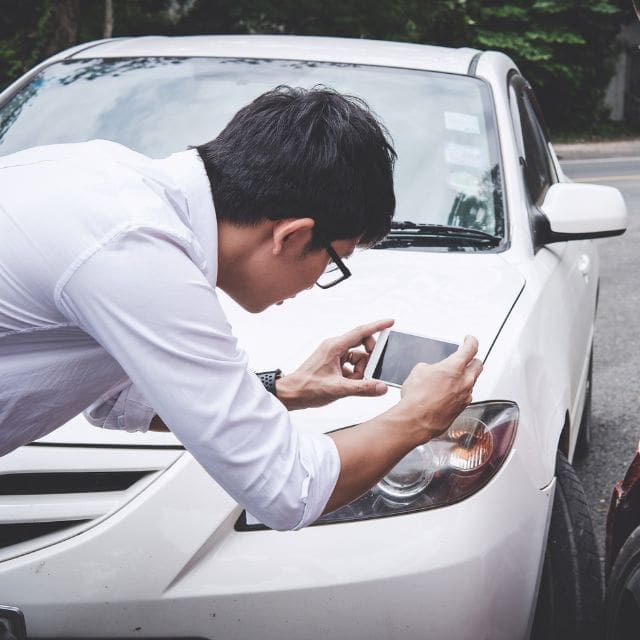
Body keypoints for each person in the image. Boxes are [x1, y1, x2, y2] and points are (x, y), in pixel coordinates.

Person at [0, 86, 481, 531]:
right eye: (335, 261)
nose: (318, 284)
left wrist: (288, 388)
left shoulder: (105, 178)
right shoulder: (138, 253)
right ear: (292, 235)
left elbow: (115, 401)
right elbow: (290, 490)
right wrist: (419, 417)